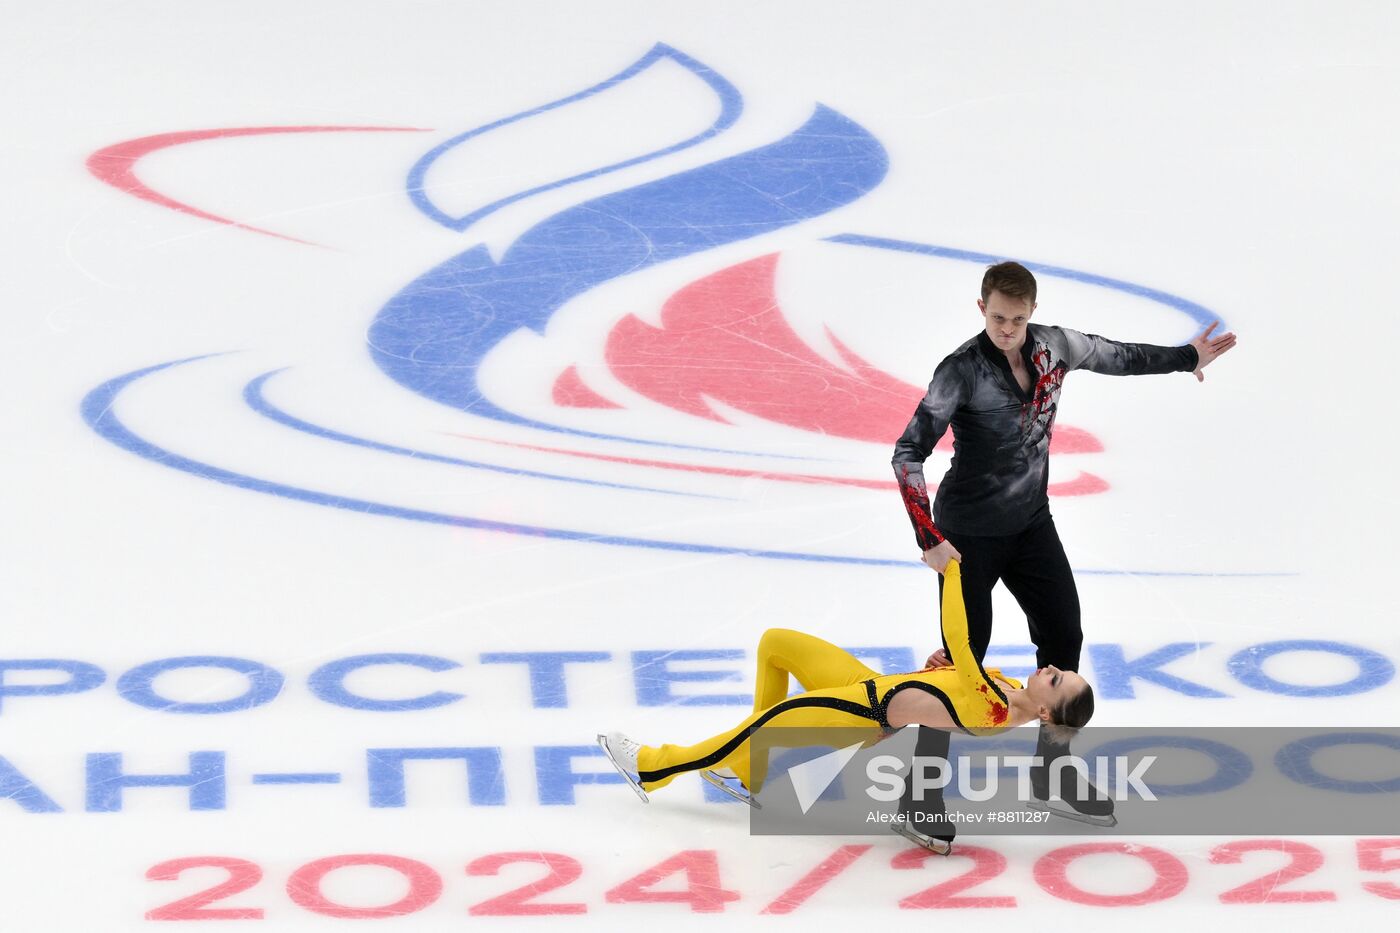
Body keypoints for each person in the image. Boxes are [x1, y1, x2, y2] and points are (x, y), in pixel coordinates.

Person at [890, 260, 1236, 847]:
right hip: (966, 536)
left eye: (1017, 319)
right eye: (997, 317)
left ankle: (1050, 774)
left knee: (1064, 640)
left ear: (1032, 314)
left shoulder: (1053, 347)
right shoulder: (960, 370)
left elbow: (1116, 355)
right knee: (959, 667)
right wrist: (929, 537)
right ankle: (919, 797)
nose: (1007, 328)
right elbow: (907, 454)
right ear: (981, 309)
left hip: (1030, 523)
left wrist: (1186, 358)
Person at [599, 561, 1094, 854]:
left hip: (856, 712)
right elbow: (947, 681)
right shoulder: (1006, 685)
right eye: (1058, 669)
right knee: (776, 643)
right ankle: (751, 767)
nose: (1050, 667)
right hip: (867, 686)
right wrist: (934, 670)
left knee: (758, 725)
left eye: (1056, 678)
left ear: (1047, 714)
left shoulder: (996, 710)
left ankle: (651, 768)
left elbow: (962, 643)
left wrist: (952, 569)